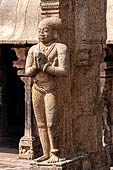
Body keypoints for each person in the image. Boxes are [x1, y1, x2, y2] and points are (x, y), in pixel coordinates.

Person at [25, 17, 68, 163]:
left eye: (45, 30)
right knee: (40, 123)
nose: (41, 34)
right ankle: (46, 152)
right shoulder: (33, 49)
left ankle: (55, 152)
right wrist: (36, 67)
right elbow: (27, 71)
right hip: (37, 88)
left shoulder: (60, 48)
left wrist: (46, 67)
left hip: (52, 88)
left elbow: (64, 70)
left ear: (54, 32)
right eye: (39, 31)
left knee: (51, 123)